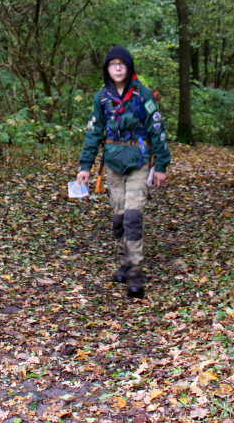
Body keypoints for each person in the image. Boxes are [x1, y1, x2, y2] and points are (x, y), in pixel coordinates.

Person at [77, 46, 170, 298]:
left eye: (122, 64)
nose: (117, 68)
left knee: (132, 216)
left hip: (139, 161)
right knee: (118, 219)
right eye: (112, 64)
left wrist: (160, 165)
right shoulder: (102, 97)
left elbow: (158, 131)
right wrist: (85, 166)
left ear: (129, 67)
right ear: (107, 69)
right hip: (113, 162)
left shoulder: (143, 94)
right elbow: (93, 132)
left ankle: (135, 271)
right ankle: (128, 259)